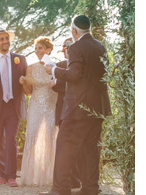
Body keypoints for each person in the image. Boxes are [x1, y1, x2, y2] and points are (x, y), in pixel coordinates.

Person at [43, 15, 112, 194]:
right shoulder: (100, 46)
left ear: (74, 31)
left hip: (78, 108)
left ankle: (60, 189)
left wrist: (53, 70)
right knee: (91, 150)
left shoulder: (76, 47)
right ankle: (90, 188)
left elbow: (74, 75)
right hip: (98, 108)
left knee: (65, 147)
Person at [0, 27, 27, 187]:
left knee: (10, 139)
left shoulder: (20, 59)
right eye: (1, 39)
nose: (5, 41)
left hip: (13, 106)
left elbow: (25, 83)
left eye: (6, 38)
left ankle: (11, 175)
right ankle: (1, 174)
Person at [18, 36, 59, 186]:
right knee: (33, 137)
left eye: (40, 48)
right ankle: (31, 177)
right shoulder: (31, 67)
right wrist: (23, 83)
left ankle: (49, 176)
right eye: (35, 49)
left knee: (49, 138)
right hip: (35, 105)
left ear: (48, 49)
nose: (37, 52)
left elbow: (59, 86)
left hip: (50, 106)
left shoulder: (56, 67)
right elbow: (28, 92)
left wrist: (43, 82)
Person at [52, 38, 83, 189]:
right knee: (64, 147)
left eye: (69, 46)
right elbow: (55, 86)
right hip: (62, 110)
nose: (66, 49)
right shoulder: (59, 66)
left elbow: (76, 84)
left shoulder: (81, 64)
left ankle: (75, 179)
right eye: (64, 46)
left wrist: (64, 83)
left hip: (78, 111)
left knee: (77, 147)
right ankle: (66, 179)